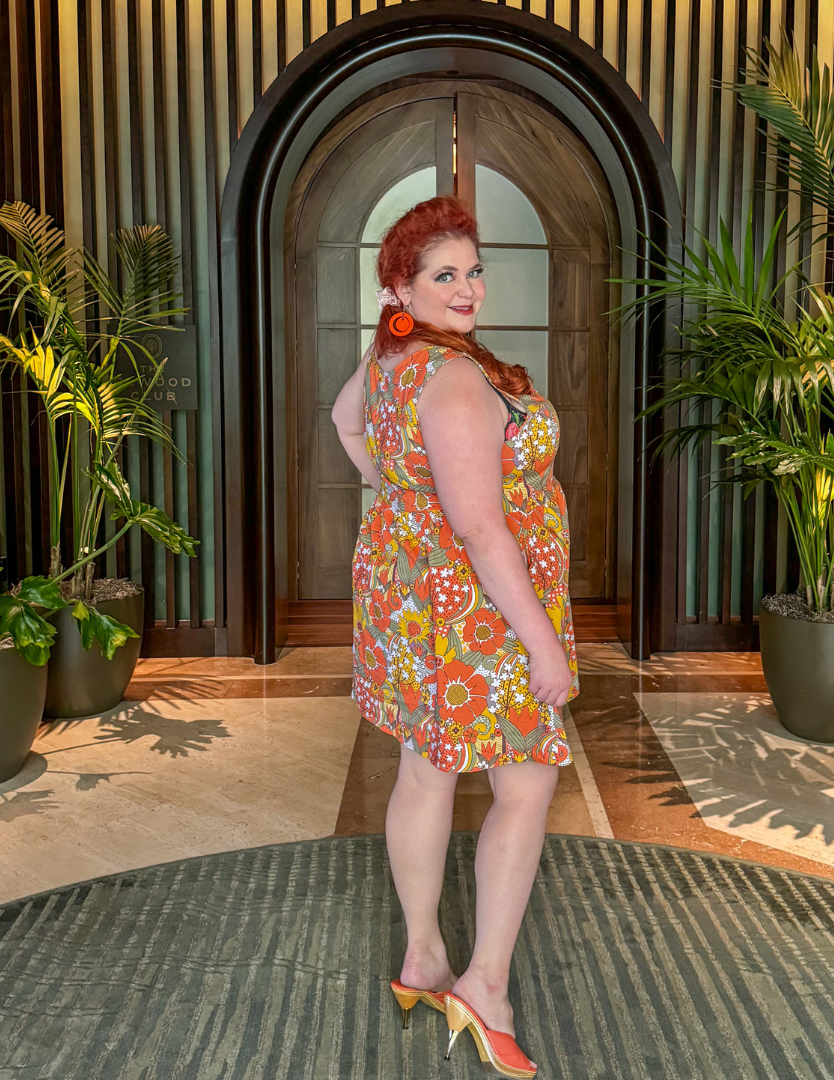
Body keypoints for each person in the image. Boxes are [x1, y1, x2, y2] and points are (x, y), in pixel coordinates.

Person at [331, 194, 578, 1079]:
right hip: (480, 605)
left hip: (415, 596)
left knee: (425, 769)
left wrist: (402, 498)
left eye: (473, 271)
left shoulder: (393, 353)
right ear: (402, 281)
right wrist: (544, 643)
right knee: (528, 780)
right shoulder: (457, 379)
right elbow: (480, 528)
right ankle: (485, 985)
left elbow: (345, 422)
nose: (469, 288)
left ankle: (424, 957)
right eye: (446, 275)